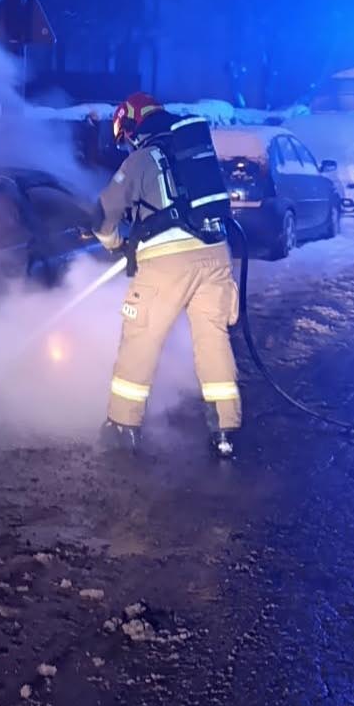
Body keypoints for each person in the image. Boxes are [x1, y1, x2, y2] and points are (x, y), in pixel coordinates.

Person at [96, 92, 241, 459]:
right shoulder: (190, 152)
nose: (127, 142)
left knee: (140, 338)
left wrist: (113, 243)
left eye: (126, 135)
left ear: (133, 127)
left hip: (167, 264)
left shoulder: (140, 158)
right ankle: (224, 429)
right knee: (213, 340)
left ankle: (122, 426)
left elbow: (106, 211)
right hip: (216, 255)